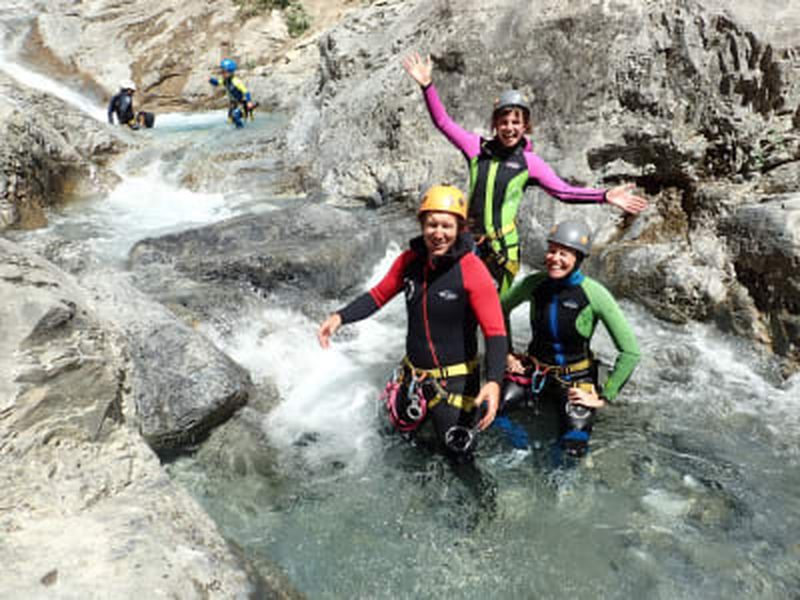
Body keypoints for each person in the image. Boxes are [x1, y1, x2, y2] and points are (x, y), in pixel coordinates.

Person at [402, 52, 649, 295]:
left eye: (516, 122)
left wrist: (604, 195)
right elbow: (443, 123)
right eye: (504, 122)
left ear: (525, 126)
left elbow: (564, 192)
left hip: (501, 250)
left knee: (495, 311)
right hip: (467, 244)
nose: (509, 128)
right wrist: (427, 86)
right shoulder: (476, 148)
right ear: (495, 124)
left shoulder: (530, 163)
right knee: (456, 304)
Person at [317, 185, 507, 463]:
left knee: (459, 460)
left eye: (446, 226)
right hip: (413, 378)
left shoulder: (471, 269)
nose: (438, 233)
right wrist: (340, 317)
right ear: (422, 225)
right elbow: (378, 296)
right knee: (398, 447)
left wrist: (493, 381)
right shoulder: (409, 261)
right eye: (432, 225)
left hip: (454, 384)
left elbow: (495, 331)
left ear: (460, 228)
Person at [500, 220, 640, 458]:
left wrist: (603, 397)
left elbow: (631, 352)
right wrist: (507, 353)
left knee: (573, 448)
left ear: (579, 258)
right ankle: (519, 449)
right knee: (490, 411)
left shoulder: (595, 294)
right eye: (552, 251)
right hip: (535, 372)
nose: (554, 259)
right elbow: (498, 310)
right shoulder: (535, 283)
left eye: (563, 253)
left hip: (575, 380)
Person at [209, 58, 256, 129]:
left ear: (230, 72)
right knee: (230, 121)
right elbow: (217, 83)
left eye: (224, 72)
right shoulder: (225, 81)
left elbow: (246, 92)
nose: (222, 74)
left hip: (241, 104)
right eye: (222, 72)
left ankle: (241, 131)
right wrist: (210, 80)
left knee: (236, 116)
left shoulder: (236, 82)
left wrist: (249, 102)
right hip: (233, 105)